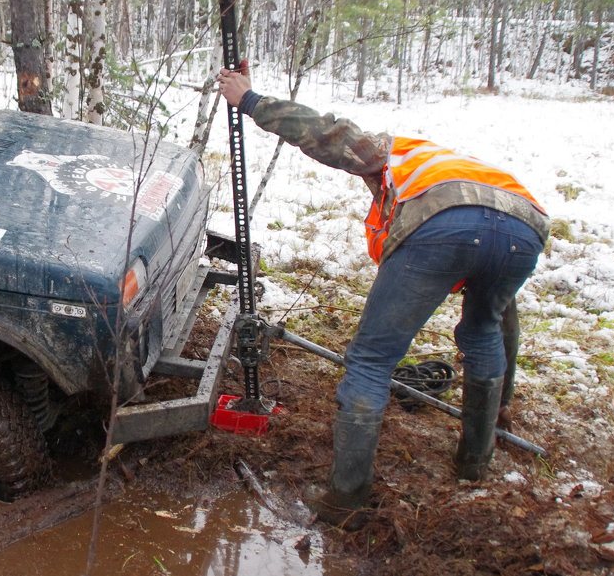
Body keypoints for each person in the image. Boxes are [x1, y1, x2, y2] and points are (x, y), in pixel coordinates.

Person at [216, 67, 548, 530]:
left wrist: (250, 100)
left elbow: (326, 134)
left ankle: (345, 502)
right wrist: (505, 405)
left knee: (371, 361)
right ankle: (475, 463)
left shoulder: (397, 156)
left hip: (444, 225)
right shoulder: (470, 171)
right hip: (526, 225)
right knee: (484, 330)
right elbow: (504, 319)